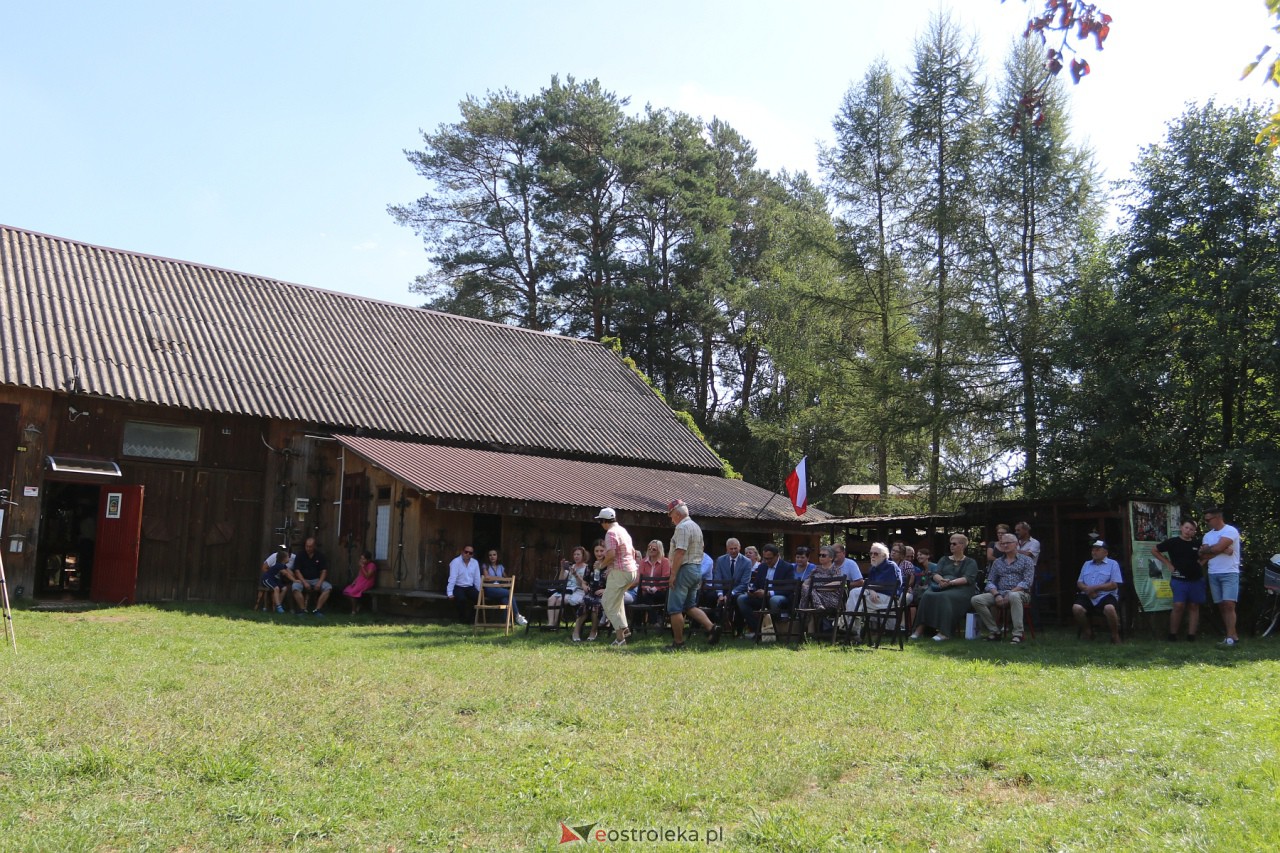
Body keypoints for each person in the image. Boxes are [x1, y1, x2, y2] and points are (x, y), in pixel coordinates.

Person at [665, 499, 721, 650]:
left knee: (675, 608)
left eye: (671, 515)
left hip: (684, 569)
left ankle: (678, 643)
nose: (671, 519)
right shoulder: (696, 527)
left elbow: (680, 552)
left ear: (677, 514)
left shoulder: (682, 528)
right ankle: (712, 627)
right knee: (690, 606)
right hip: (696, 569)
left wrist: (673, 574)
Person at [910, 534, 977, 642]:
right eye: (950, 543)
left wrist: (951, 582)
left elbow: (967, 579)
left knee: (945, 597)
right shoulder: (944, 559)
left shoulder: (970, 562)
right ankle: (919, 629)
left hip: (961, 589)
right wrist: (941, 580)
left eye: (954, 544)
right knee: (927, 595)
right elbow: (935, 573)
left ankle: (944, 632)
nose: (951, 546)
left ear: (963, 545)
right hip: (941, 585)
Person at [971, 533, 1036, 643]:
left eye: (1008, 543)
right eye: (1002, 543)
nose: (1005, 545)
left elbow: (1027, 582)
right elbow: (990, 581)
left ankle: (1018, 634)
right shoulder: (997, 562)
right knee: (976, 599)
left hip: (1020, 593)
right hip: (1000, 593)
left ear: (1016, 544)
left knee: (1014, 595)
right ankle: (995, 631)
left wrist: (1010, 593)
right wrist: (996, 594)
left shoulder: (1026, 560)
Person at [1152, 519, 1203, 641]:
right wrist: (1167, 563)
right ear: (1181, 528)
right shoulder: (1173, 542)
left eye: (1191, 529)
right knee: (1178, 605)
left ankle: (1191, 635)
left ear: (1194, 532)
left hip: (1196, 579)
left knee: (1194, 605)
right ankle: (1172, 634)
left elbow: (1205, 556)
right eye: (1186, 528)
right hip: (1179, 579)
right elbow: (1154, 550)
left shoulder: (1197, 544)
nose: (1188, 531)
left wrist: (1201, 563)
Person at [594, 507, 638, 647]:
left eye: (600, 521)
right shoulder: (623, 531)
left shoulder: (610, 533)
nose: (601, 525)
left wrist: (601, 565)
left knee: (607, 603)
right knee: (617, 602)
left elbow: (612, 554)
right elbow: (631, 551)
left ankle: (620, 638)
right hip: (631, 571)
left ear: (604, 521)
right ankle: (624, 629)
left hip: (620, 572)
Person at [1200, 507, 1241, 647]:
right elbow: (1203, 554)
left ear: (1217, 518)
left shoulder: (1230, 531)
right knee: (1222, 606)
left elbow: (1212, 550)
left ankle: (1229, 637)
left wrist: (1216, 548)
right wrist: (1223, 549)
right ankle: (1233, 635)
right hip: (1213, 572)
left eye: (1208, 520)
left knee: (1229, 604)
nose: (1207, 523)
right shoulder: (1207, 535)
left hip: (1229, 572)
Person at [737, 543, 795, 639]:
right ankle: (757, 630)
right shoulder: (762, 567)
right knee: (741, 599)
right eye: (765, 558)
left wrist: (769, 593)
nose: (767, 561)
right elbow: (756, 584)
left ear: (777, 556)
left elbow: (789, 588)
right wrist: (752, 591)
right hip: (761, 597)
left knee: (774, 600)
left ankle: (777, 631)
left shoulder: (787, 567)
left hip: (779, 596)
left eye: (770, 558)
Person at [844, 542, 901, 638]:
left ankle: (850, 628)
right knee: (855, 594)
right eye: (871, 553)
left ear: (883, 555)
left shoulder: (891, 566)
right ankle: (852, 630)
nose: (872, 556)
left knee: (857, 599)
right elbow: (870, 585)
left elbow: (888, 586)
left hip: (889, 599)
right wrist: (871, 590)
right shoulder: (873, 568)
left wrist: (871, 589)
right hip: (874, 597)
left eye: (876, 554)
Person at [1072, 540, 1123, 643]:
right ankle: (1088, 632)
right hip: (1088, 594)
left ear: (1105, 553)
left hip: (1106, 595)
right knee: (1076, 608)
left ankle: (1115, 635)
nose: (1094, 552)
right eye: (1093, 550)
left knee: (1109, 608)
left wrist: (1094, 588)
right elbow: (1080, 582)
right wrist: (1088, 590)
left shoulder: (1113, 564)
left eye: (1097, 550)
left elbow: (1114, 584)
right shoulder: (1087, 564)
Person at [798, 546, 845, 634]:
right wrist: (808, 588)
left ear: (831, 558)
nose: (820, 557)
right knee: (807, 591)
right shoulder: (816, 569)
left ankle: (806, 630)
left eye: (823, 555)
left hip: (831, 598)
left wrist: (818, 589)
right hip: (814, 598)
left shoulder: (835, 569)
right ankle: (811, 635)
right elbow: (806, 582)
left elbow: (837, 583)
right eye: (819, 555)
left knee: (809, 596)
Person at [709, 538, 753, 628]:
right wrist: (720, 594)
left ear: (739, 548)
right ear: (727, 549)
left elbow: (744, 583)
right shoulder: (720, 560)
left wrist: (729, 594)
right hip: (723, 590)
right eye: (731, 549)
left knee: (739, 600)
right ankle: (712, 626)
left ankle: (738, 627)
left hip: (737, 591)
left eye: (735, 548)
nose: (733, 551)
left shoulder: (747, 562)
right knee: (709, 596)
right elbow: (718, 579)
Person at [481, 549, 528, 626]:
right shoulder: (485, 566)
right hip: (490, 589)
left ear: (497, 556)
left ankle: (506, 622)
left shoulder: (500, 566)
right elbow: (487, 577)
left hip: (500, 589)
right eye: (490, 555)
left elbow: (506, 578)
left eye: (494, 555)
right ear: (488, 557)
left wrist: (504, 580)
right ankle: (517, 616)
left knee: (506, 599)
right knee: (509, 593)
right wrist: (498, 578)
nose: (492, 557)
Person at [549, 546, 590, 634]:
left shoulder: (587, 568)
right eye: (574, 554)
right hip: (567, 589)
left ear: (583, 556)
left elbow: (584, 584)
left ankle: (556, 624)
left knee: (560, 600)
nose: (576, 556)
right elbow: (561, 580)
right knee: (551, 599)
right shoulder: (572, 566)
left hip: (578, 590)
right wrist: (562, 569)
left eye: (578, 554)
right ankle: (550, 624)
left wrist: (575, 574)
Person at [571, 542, 607, 642]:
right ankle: (576, 632)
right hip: (591, 592)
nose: (599, 553)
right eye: (597, 551)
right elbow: (584, 582)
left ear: (605, 551)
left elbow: (614, 583)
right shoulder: (590, 565)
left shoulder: (609, 566)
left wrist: (605, 590)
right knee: (585, 602)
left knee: (596, 604)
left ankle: (593, 631)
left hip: (603, 594)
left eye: (601, 551)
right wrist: (584, 586)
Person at [291, 537, 332, 617]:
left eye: (310, 547)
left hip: (316, 579)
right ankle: (303, 610)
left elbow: (324, 571)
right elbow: (297, 571)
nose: (308, 548)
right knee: (295, 587)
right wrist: (304, 582)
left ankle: (317, 610)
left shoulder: (320, 556)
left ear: (314, 546)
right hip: (302, 579)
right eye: (307, 546)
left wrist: (319, 583)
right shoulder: (300, 555)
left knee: (328, 587)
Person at [637, 540, 672, 625]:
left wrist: (656, 588)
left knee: (647, 597)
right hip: (646, 591)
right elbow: (640, 577)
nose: (651, 550)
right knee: (640, 598)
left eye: (654, 549)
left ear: (659, 550)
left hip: (661, 592)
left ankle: (653, 621)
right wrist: (647, 587)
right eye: (649, 548)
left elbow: (665, 577)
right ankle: (641, 624)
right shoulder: (643, 561)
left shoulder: (665, 561)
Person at [446, 545, 483, 623]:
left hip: (469, 586)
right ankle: (462, 619)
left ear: (472, 554)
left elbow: (477, 578)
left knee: (478, 598)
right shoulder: (455, 562)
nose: (468, 554)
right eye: (466, 552)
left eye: (470, 553)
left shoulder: (475, 562)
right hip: (458, 586)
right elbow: (452, 578)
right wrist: (449, 593)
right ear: (462, 552)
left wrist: (480, 590)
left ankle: (472, 619)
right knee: (461, 599)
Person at [259, 545, 293, 613]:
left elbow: (289, 572)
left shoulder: (283, 565)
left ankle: (278, 604)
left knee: (284, 588)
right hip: (267, 579)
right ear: (283, 557)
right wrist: (295, 580)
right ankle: (278, 606)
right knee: (276, 588)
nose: (289, 557)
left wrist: (296, 578)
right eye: (287, 556)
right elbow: (287, 574)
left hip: (275, 580)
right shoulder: (278, 564)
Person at [342, 550, 378, 614]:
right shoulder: (363, 565)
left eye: (363, 559)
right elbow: (360, 575)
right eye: (361, 558)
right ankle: (357, 605)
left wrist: (362, 567)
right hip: (360, 581)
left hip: (367, 582)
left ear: (368, 559)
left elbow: (368, 576)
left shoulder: (371, 565)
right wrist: (354, 581)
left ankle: (353, 611)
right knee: (346, 591)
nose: (361, 560)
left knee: (352, 593)